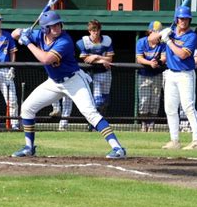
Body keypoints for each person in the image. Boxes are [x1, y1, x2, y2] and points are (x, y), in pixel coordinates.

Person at [10, 11, 126, 159]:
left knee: (90, 113)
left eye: (58, 24)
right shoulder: (39, 35)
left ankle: (118, 148)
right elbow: (14, 34)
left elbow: (46, 59)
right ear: (45, 28)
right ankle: (29, 147)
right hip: (54, 82)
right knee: (27, 108)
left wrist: (28, 43)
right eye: (52, 26)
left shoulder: (64, 40)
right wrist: (23, 32)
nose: (57, 28)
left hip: (74, 81)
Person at [153, 6, 197, 150]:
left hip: (185, 74)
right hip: (170, 73)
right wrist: (161, 33)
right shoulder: (171, 32)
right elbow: (151, 39)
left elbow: (182, 54)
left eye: (186, 19)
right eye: (181, 18)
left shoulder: (191, 36)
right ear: (176, 19)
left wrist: (168, 41)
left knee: (188, 107)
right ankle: (174, 140)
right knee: (170, 108)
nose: (184, 21)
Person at [76, 19, 114, 116]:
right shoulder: (84, 41)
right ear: (89, 31)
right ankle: (94, 124)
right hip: (93, 74)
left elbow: (109, 59)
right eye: (93, 30)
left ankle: (102, 120)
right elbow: (86, 59)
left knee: (105, 101)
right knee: (98, 101)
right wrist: (102, 60)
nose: (95, 33)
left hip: (106, 72)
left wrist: (96, 57)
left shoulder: (107, 40)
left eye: (97, 30)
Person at [135, 21, 166, 132]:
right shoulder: (141, 42)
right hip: (144, 75)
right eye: (155, 32)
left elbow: (164, 57)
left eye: (159, 33)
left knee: (155, 100)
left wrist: (158, 61)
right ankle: (143, 124)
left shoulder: (162, 44)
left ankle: (151, 124)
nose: (158, 35)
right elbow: (139, 58)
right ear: (150, 32)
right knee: (144, 101)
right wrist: (150, 63)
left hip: (157, 74)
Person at [178, 49, 197, 132]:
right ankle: (180, 127)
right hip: (173, 73)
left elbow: (196, 59)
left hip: (187, 74)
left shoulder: (190, 43)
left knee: (188, 103)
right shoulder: (170, 44)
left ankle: (190, 127)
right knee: (173, 105)